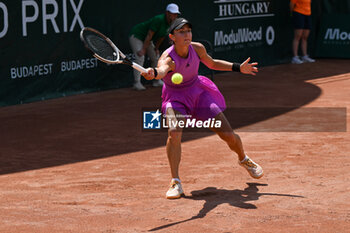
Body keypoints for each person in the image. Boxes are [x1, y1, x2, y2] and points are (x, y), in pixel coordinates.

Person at [141, 18, 264, 199]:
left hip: (199, 92)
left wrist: (238, 68)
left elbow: (212, 63)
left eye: (188, 30)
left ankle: (244, 159)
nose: (187, 34)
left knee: (228, 134)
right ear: (172, 37)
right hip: (175, 98)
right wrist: (154, 73)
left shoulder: (197, 48)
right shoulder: (168, 58)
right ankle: (175, 181)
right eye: (181, 31)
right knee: (174, 132)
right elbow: (161, 70)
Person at [129, 3, 180, 90]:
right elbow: (149, 35)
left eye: (176, 14)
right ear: (167, 13)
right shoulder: (158, 19)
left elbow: (161, 37)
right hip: (137, 35)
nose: (175, 16)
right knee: (140, 57)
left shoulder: (170, 23)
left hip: (148, 39)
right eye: (173, 14)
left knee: (156, 57)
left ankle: (156, 81)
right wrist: (143, 49)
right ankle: (137, 83)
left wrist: (156, 48)